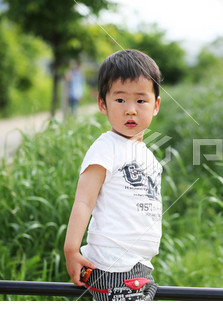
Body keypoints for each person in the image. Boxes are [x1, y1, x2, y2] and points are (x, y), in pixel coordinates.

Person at [64, 49, 163, 301]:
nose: (131, 110)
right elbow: (84, 201)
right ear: (102, 104)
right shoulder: (106, 147)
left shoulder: (149, 157)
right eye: (120, 100)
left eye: (141, 101)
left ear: (155, 106)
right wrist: (71, 249)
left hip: (140, 264)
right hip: (111, 265)